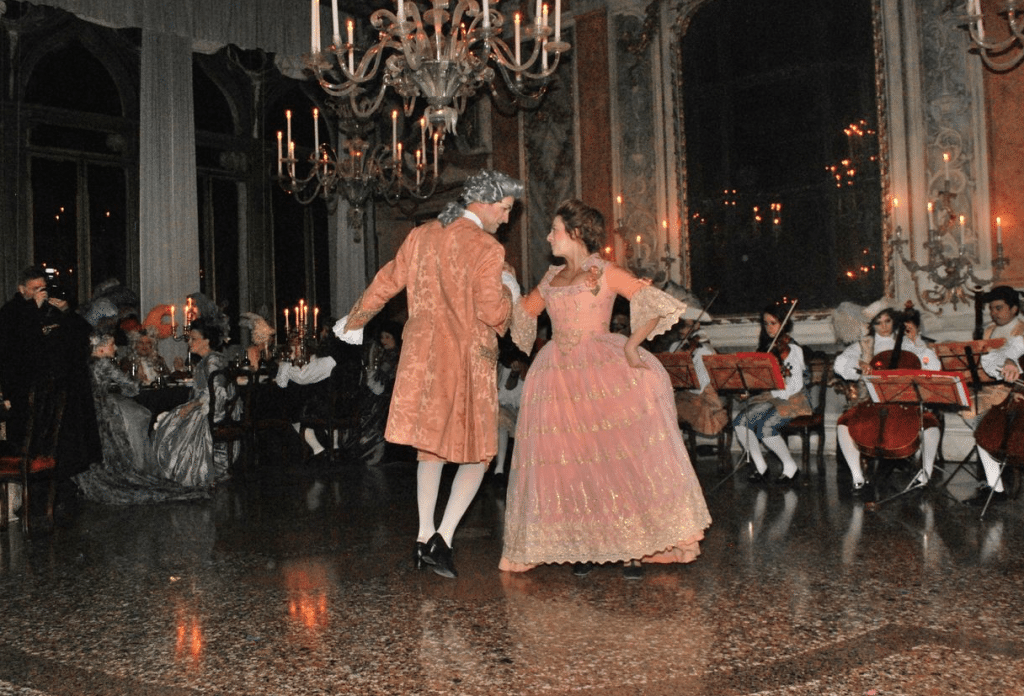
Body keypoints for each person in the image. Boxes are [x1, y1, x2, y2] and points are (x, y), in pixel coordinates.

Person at [499, 199, 712, 579]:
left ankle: (633, 547)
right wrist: (504, 284)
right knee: (573, 461)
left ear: (577, 234)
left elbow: (659, 305)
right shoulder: (549, 279)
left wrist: (632, 345)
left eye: (555, 230)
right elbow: (520, 316)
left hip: (602, 371)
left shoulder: (606, 272)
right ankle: (585, 545)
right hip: (557, 376)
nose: (548, 237)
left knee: (615, 458)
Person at [334, 169, 523, 579]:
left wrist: (355, 320)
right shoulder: (487, 249)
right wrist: (509, 290)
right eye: (506, 209)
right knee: (480, 453)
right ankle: (444, 537)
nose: (506, 219)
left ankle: (422, 538)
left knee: (432, 451)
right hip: (467, 362)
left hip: (422, 361)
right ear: (486, 203)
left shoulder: (421, 234)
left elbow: (387, 281)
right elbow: (493, 313)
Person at [0, 265, 99, 506]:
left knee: (61, 442)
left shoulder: (51, 310)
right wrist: (33, 309)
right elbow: (17, 347)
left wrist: (66, 312)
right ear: (21, 289)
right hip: (26, 392)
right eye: (34, 289)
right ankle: (32, 497)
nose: (40, 294)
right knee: (30, 442)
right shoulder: (11, 313)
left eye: (42, 288)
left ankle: (62, 489)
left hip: (55, 391)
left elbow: (81, 335)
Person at [73, 335, 207, 504]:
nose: (115, 349)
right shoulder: (103, 362)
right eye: (112, 345)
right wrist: (132, 385)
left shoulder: (85, 362)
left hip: (88, 412)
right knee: (137, 418)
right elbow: (131, 387)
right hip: (104, 410)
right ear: (101, 349)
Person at [833, 306, 941, 494]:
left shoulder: (908, 343)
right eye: (878, 322)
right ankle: (858, 478)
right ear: (871, 325)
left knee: (931, 425)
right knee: (843, 424)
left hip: (905, 403)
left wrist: (918, 343)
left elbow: (934, 368)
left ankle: (925, 475)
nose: (883, 327)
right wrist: (859, 363)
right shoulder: (865, 343)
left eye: (888, 321)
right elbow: (840, 363)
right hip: (872, 403)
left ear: (894, 321)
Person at [150, 316, 235, 488]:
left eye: (194, 339)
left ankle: (181, 470)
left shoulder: (212, 360)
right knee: (171, 417)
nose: (189, 342)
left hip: (212, 410)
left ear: (207, 341)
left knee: (172, 423)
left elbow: (217, 392)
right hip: (206, 406)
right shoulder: (207, 360)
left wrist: (192, 405)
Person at [734, 303, 811, 485]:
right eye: (766, 323)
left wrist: (777, 393)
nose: (769, 328)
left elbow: (796, 384)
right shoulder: (765, 349)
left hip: (794, 398)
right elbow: (760, 381)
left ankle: (790, 467)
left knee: (765, 427)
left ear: (784, 324)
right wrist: (750, 389)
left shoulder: (793, 350)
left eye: (774, 323)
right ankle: (761, 466)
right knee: (740, 423)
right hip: (772, 396)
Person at [668, 318, 729, 440]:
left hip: (701, 398)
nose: (681, 329)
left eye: (686, 326)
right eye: (679, 325)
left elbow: (700, 386)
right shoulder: (675, 346)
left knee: (666, 410)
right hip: (684, 396)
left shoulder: (704, 349)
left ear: (697, 325)